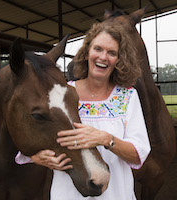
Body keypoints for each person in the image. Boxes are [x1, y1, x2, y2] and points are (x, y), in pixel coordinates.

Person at [16, 21, 151, 200]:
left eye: (112, 53)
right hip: (68, 194)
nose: (103, 57)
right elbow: (34, 133)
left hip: (116, 195)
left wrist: (104, 138)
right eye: (98, 49)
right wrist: (38, 157)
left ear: (119, 59)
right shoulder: (62, 93)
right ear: (87, 52)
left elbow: (137, 155)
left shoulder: (127, 97)